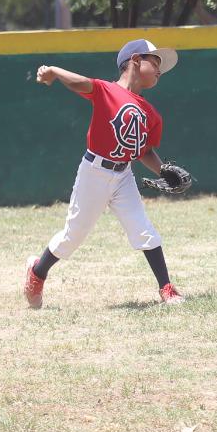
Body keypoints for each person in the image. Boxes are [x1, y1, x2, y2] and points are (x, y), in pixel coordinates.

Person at [23, 38, 187, 308]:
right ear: (135, 60)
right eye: (154, 62)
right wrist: (53, 70)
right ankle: (37, 271)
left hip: (123, 175)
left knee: (143, 229)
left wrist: (164, 171)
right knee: (72, 237)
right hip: (94, 172)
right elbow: (81, 83)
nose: (159, 70)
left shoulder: (150, 113)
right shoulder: (107, 90)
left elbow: (143, 150)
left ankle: (166, 288)